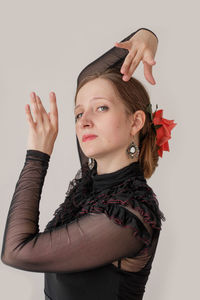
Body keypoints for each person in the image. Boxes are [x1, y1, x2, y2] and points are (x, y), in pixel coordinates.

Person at [1, 28, 176, 300]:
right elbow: (89, 77)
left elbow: (16, 251)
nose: (84, 121)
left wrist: (37, 154)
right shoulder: (91, 186)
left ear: (136, 121)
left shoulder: (128, 215)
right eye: (79, 113)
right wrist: (145, 35)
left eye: (101, 108)